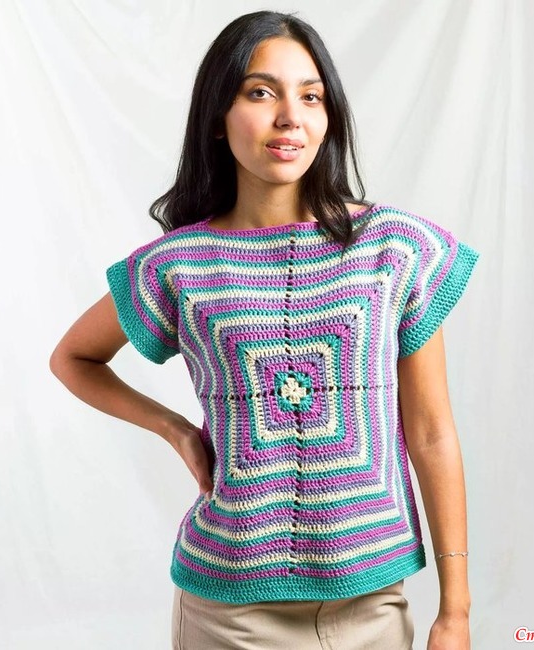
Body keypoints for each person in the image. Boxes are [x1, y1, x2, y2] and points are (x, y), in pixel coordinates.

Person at [50, 10, 479, 650]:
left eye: (311, 96)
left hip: (371, 604)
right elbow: (73, 358)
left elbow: (432, 432)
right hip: (229, 613)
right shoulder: (177, 264)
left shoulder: (396, 249)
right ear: (217, 118)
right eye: (260, 93)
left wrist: (456, 610)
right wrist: (174, 429)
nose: (290, 117)